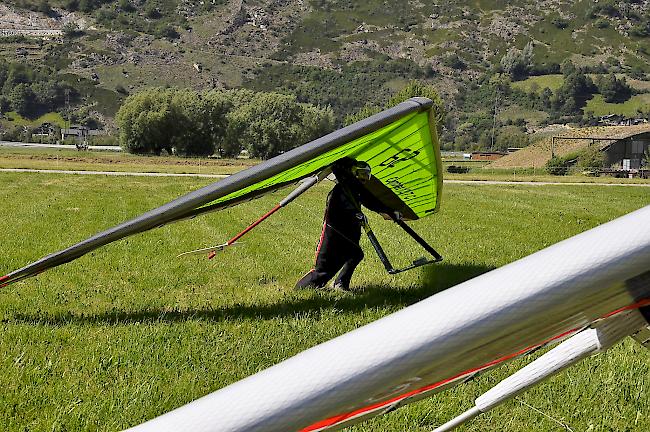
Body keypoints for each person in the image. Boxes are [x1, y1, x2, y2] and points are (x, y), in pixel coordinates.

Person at [295, 159, 388, 291]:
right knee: (323, 270)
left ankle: (340, 284)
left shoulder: (355, 189)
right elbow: (338, 208)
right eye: (361, 174)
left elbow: (371, 201)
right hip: (333, 233)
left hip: (346, 233)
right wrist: (354, 213)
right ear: (353, 173)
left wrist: (389, 212)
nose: (364, 179)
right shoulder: (340, 189)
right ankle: (299, 290)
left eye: (367, 175)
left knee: (355, 254)